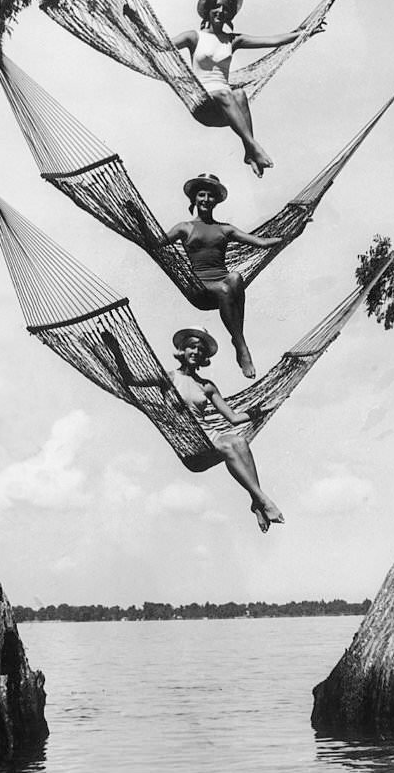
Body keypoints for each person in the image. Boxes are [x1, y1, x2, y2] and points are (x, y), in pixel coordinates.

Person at [101, 325, 284, 533]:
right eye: (191, 347)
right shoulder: (167, 378)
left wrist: (259, 411)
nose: (196, 352)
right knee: (228, 446)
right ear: (182, 350)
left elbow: (233, 418)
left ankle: (257, 502)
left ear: (204, 356)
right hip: (192, 444)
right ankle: (263, 500)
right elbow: (130, 379)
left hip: (212, 436)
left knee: (240, 441)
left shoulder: (207, 386)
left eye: (200, 350)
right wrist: (115, 348)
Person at [172, 0, 323, 177]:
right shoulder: (193, 37)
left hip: (225, 112)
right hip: (203, 106)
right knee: (225, 92)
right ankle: (254, 146)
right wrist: (136, 20)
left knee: (239, 93)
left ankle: (249, 153)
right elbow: (162, 45)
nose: (221, 11)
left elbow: (273, 40)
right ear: (208, 10)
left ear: (230, 15)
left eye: (226, 9)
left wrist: (306, 32)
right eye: (217, 7)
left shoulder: (233, 40)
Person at [163, 173, 288, 380]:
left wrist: (294, 230)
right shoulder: (184, 228)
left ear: (216, 201)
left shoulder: (225, 229)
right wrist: (138, 219)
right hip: (198, 289)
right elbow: (155, 243)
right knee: (225, 287)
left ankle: (238, 341)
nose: (206, 200)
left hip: (224, 287)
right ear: (194, 199)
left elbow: (262, 242)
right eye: (201, 195)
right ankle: (241, 345)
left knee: (236, 277)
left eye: (210, 196)